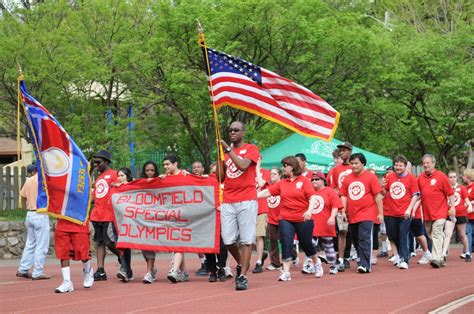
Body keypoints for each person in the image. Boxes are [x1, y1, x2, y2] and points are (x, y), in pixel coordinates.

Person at [257, 156, 320, 281]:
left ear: (292, 166)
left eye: (285, 166)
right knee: (286, 242)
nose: (283, 168)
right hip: (285, 217)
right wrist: (250, 196)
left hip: (303, 217)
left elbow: (312, 197)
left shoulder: (304, 181)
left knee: (306, 243)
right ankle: (286, 272)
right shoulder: (282, 183)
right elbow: (266, 192)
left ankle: (316, 262)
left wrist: (309, 211)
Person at [217, 121, 260, 290]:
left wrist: (228, 150)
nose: (232, 132)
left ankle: (242, 276)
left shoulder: (251, 149)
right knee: (227, 240)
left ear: (243, 132)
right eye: (230, 130)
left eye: (236, 130)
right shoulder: (225, 153)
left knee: (247, 240)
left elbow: (242, 166)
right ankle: (243, 263)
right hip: (228, 199)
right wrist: (220, 157)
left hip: (247, 199)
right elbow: (220, 178)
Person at [340, 153, 384, 273]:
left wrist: (380, 213)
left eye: (356, 163)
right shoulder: (348, 179)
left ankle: (365, 264)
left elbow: (378, 195)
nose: (353, 166)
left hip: (368, 213)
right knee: (356, 239)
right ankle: (362, 260)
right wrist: (343, 211)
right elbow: (343, 195)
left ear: (363, 164)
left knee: (364, 238)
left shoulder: (370, 177)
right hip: (353, 214)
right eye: (352, 163)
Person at [417, 154, 455, 268]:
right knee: (430, 233)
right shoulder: (420, 178)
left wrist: (452, 207)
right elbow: (417, 194)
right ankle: (441, 255)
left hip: (440, 212)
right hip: (427, 212)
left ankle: (436, 258)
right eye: (423, 163)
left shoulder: (441, 176)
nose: (425, 165)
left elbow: (450, 193)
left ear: (433, 163)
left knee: (436, 232)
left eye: (427, 163)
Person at [382, 156, 420, 269]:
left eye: (400, 165)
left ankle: (405, 259)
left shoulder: (411, 178)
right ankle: (399, 254)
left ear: (404, 166)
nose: (398, 167)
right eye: (396, 165)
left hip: (404, 213)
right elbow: (385, 193)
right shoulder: (390, 176)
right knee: (392, 235)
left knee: (403, 234)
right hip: (390, 212)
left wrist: (409, 209)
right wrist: (382, 186)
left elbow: (416, 195)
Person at [90, 150, 121, 281]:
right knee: (99, 242)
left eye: (99, 162)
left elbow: (121, 189)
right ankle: (101, 270)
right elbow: (95, 196)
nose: (96, 165)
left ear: (106, 162)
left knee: (109, 241)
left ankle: (123, 257)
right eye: (95, 162)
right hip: (97, 215)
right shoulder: (98, 178)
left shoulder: (114, 174)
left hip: (109, 214)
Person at [16, 164, 51, 280]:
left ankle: (23, 269)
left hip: (30, 214)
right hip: (40, 214)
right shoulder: (43, 181)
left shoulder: (29, 180)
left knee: (30, 244)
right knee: (41, 245)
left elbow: (23, 195)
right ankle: (37, 272)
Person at [163, 154, 190, 283]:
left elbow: (201, 182)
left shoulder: (185, 175)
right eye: (164, 165)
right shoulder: (164, 178)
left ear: (175, 164)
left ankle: (174, 270)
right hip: (170, 215)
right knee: (176, 243)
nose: (165, 167)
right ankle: (183, 272)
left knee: (178, 243)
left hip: (183, 215)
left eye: (167, 164)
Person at [309, 171, 342, 275]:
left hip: (326, 223)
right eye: (312, 179)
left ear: (323, 181)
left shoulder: (329, 191)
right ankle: (312, 264)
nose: (314, 181)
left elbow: (335, 205)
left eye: (317, 179)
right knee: (310, 244)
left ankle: (332, 265)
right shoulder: (309, 192)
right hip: (312, 224)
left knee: (328, 246)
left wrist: (332, 217)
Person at [54, 216, 93, 293]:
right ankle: (67, 281)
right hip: (63, 221)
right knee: (63, 251)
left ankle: (88, 271)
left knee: (82, 251)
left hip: (79, 219)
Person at [330, 142, 353, 271]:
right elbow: (333, 187)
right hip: (341, 204)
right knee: (342, 231)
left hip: (355, 204)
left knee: (353, 232)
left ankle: (351, 256)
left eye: (344, 150)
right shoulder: (336, 170)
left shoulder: (354, 166)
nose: (341, 152)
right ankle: (342, 258)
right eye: (340, 150)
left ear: (350, 151)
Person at [443, 170, 472, 262]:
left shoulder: (461, 188)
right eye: (450, 177)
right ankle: (443, 253)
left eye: (454, 177)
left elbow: (467, 200)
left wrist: (470, 206)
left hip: (461, 214)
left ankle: (467, 252)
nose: (452, 179)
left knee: (462, 235)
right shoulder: (446, 189)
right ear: (448, 178)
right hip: (450, 214)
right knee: (447, 234)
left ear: (457, 178)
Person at [139, 161, 159, 283]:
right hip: (142, 219)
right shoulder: (140, 183)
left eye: (152, 170)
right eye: (147, 170)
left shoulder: (160, 182)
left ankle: (148, 273)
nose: (150, 173)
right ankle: (152, 268)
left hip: (155, 219)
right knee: (143, 247)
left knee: (149, 246)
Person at [114, 167, 134, 282]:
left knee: (125, 244)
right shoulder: (115, 188)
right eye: (119, 176)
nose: (120, 178)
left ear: (128, 176)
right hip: (117, 220)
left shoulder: (133, 187)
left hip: (129, 221)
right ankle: (125, 269)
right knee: (119, 244)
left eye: (122, 175)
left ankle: (125, 269)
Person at [191, 160, 210, 276]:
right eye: (194, 168)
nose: (196, 169)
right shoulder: (189, 181)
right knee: (197, 240)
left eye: (198, 167)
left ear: (203, 169)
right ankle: (204, 263)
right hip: (194, 214)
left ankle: (215, 263)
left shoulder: (208, 180)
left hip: (207, 214)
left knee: (207, 239)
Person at [253, 158, 269, 273]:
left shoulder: (265, 172)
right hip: (247, 207)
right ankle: (261, 252)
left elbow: (261, 183)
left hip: (261, 208)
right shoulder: (245, 172)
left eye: (258, 159)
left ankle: (258, 262)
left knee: (259, 236)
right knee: (248, 238)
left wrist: (257, 169)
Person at [266, 167, 283, 271]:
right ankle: (275, 263)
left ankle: (292, 254)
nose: (272, 175)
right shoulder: (269, 187)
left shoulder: (283, 185)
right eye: (271, 174)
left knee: (284, 240)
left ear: (280, 175)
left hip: (282, 217)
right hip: (271, 217)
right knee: (272, 240)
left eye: (274, 174)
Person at [462, 169, 474, 261]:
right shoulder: (465, 188)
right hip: (468, 214)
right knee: (468, 233)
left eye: (464, 176)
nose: (463, 177)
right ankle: (467, 251)